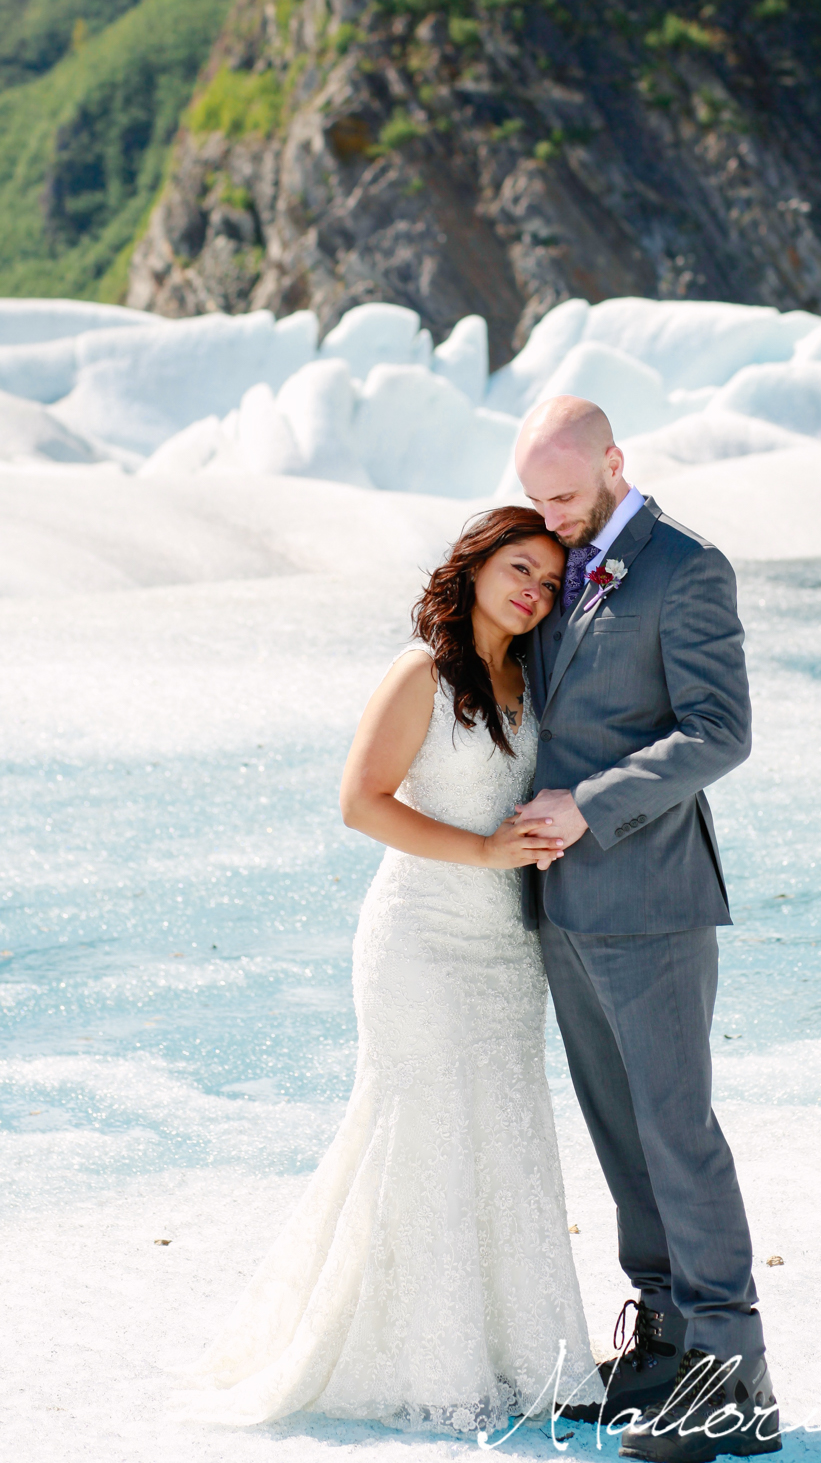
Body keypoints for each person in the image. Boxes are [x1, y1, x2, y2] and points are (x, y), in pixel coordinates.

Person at [172, 506, 598, 1434]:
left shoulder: (532, 675)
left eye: (550, 583)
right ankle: (429, 1365)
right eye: (519, 567)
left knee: (504, 1136)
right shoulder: (423, 674)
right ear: (476, 565)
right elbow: (359, 803)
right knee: (424, 1136)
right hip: (421, 941)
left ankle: (526, 1356)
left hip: (507, 949)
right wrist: (484, 855)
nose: (533, 591)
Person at [511, 395, 782, 1462]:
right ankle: (664, 1338)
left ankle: (732, 1381)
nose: (550, 515)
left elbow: (720, 731)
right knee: (621, 1134)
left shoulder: (685, 567)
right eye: (535, 497)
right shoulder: (554, 555)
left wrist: (592, 802)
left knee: (678, 1132)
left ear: (615, 462)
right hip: (564, 902)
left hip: (654, 897)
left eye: (565, 494)